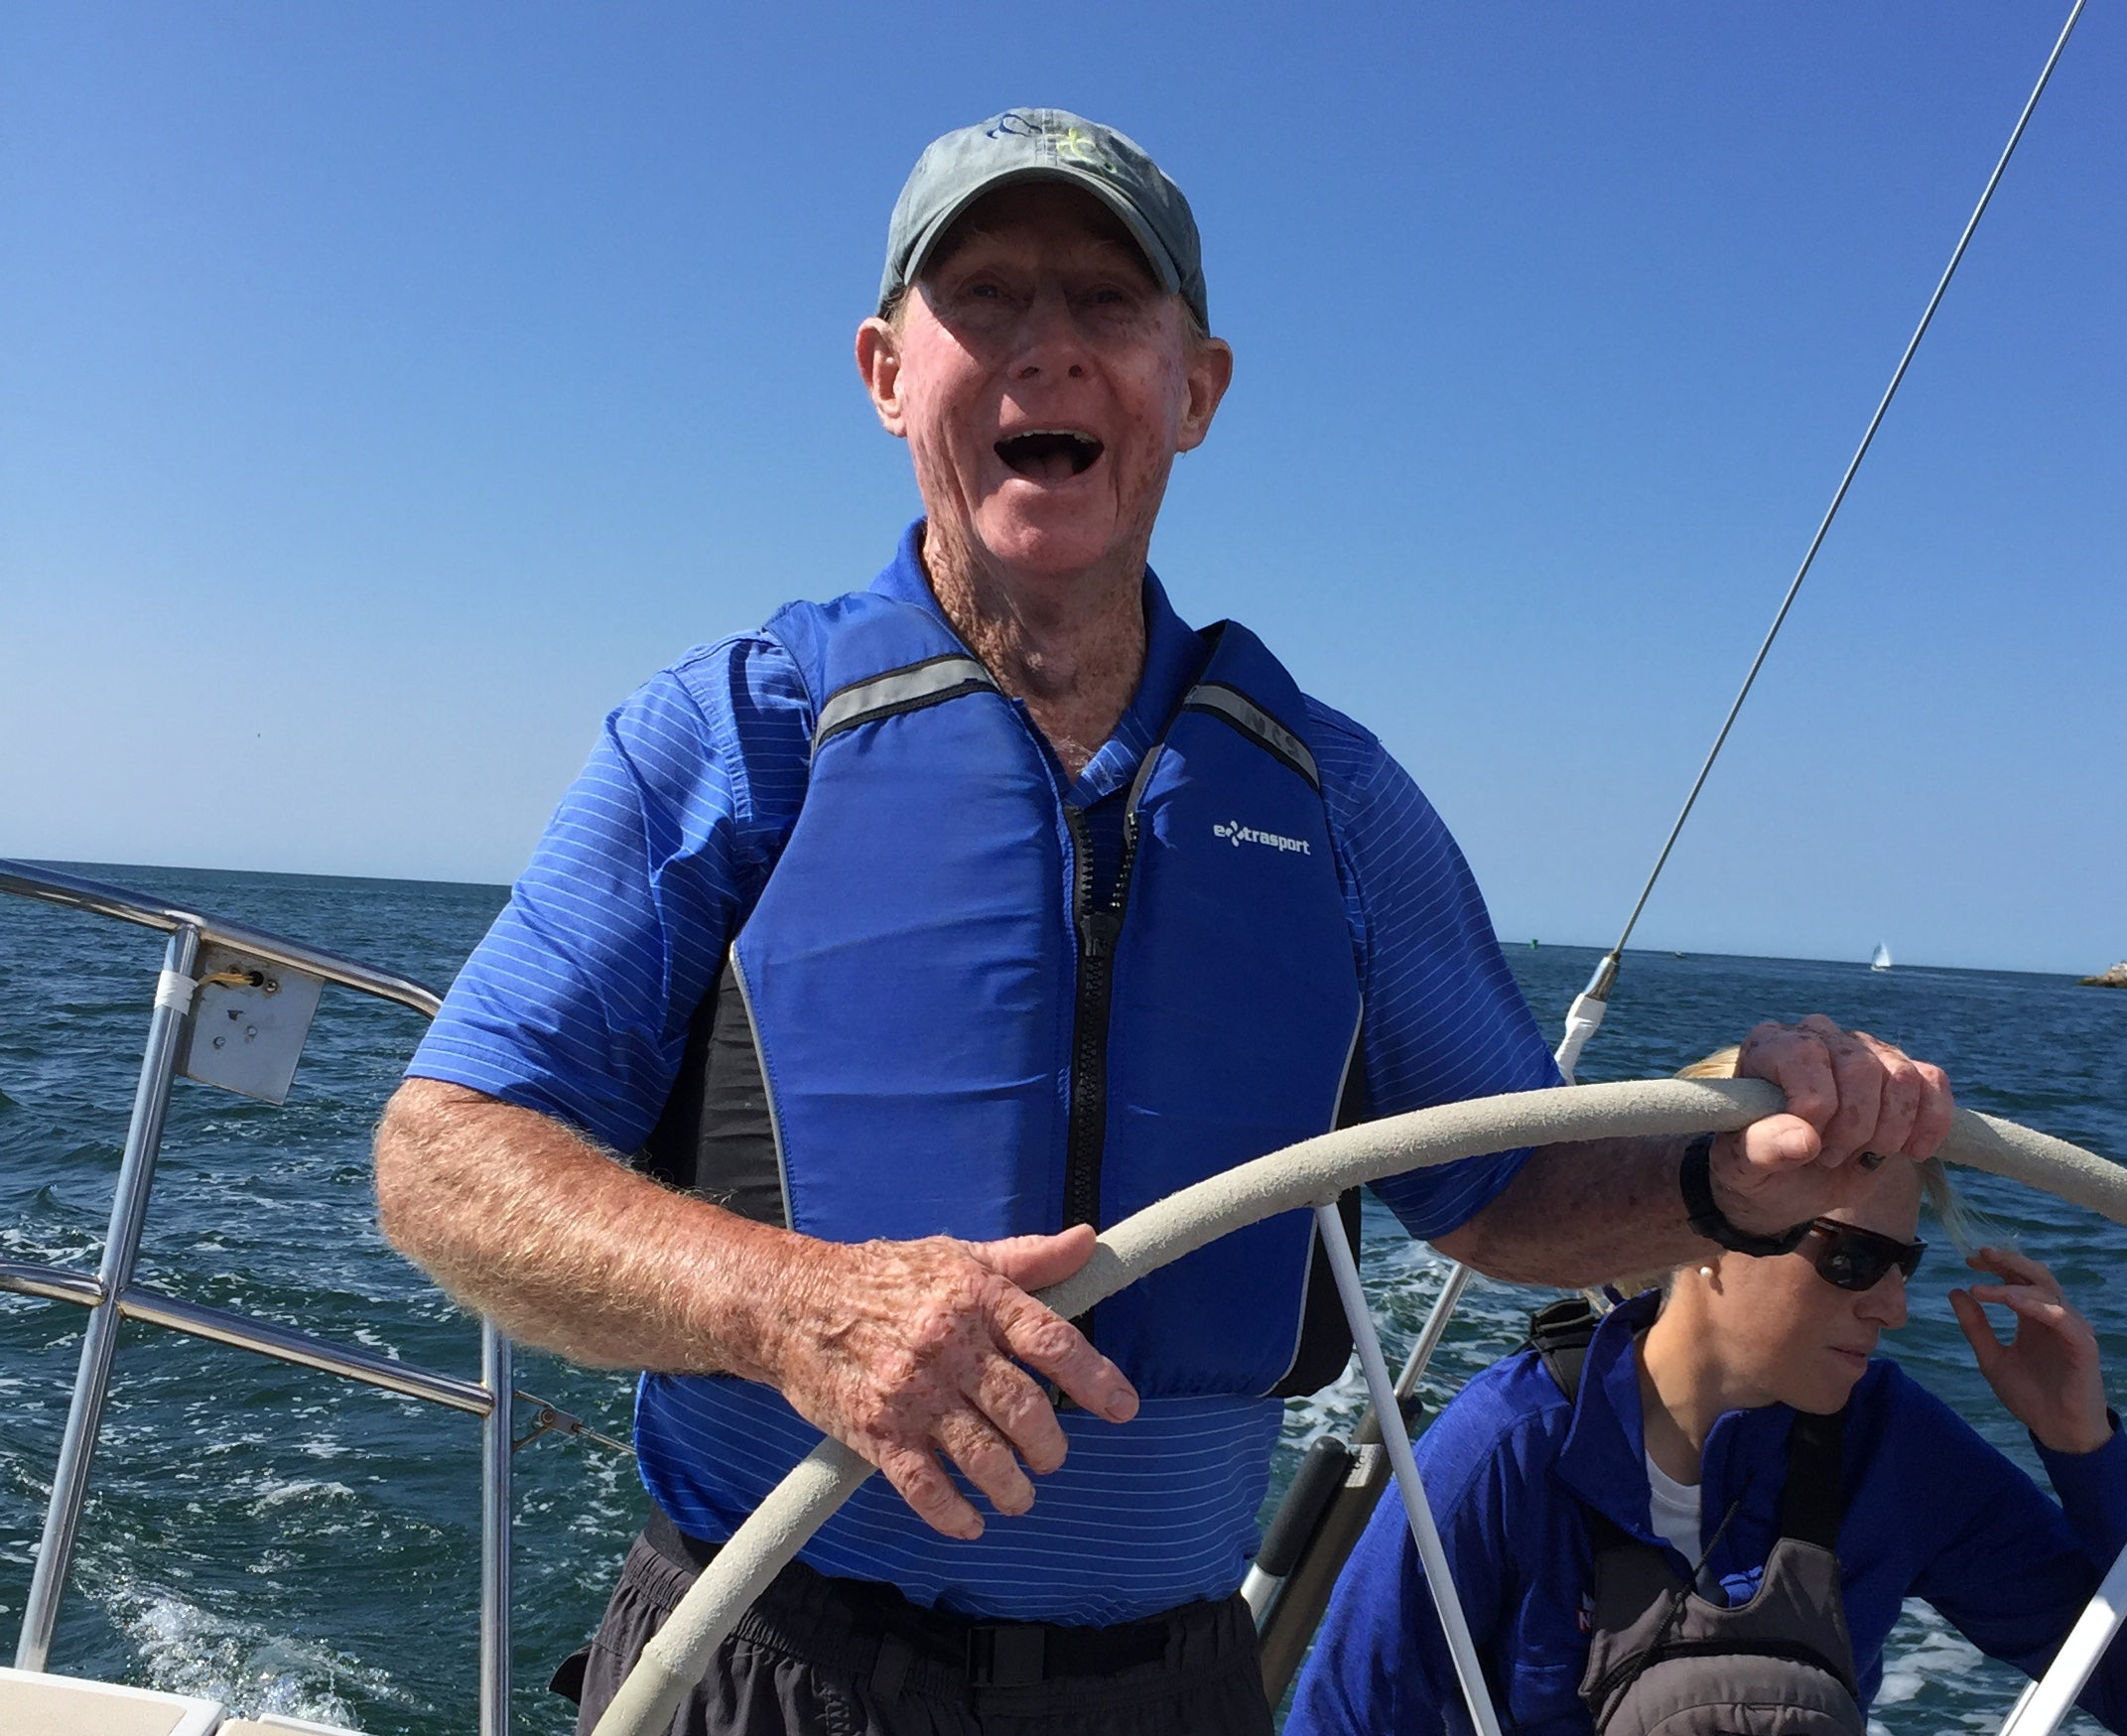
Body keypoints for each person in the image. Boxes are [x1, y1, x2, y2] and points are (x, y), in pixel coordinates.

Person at [371, 109, 1960, 1736]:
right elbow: (442, 1153)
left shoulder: (1336, 802)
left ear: (1193, 389)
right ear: (883, 373)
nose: (1045, 348)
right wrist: (791, 1302)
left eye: (1106, 304)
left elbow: (1501, 1193)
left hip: (1167, 1685)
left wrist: (1722, 1178)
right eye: (982, 296)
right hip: (756, 1653)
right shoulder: (734, 735)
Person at [1285, 1052, 2127, 1736]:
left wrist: (2081, 1446)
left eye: (1904, 1263)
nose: (1893, 1307)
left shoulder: (1891, 1446)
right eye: (1853, 1259)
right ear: (1706, 1235)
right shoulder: (1510, 1449)